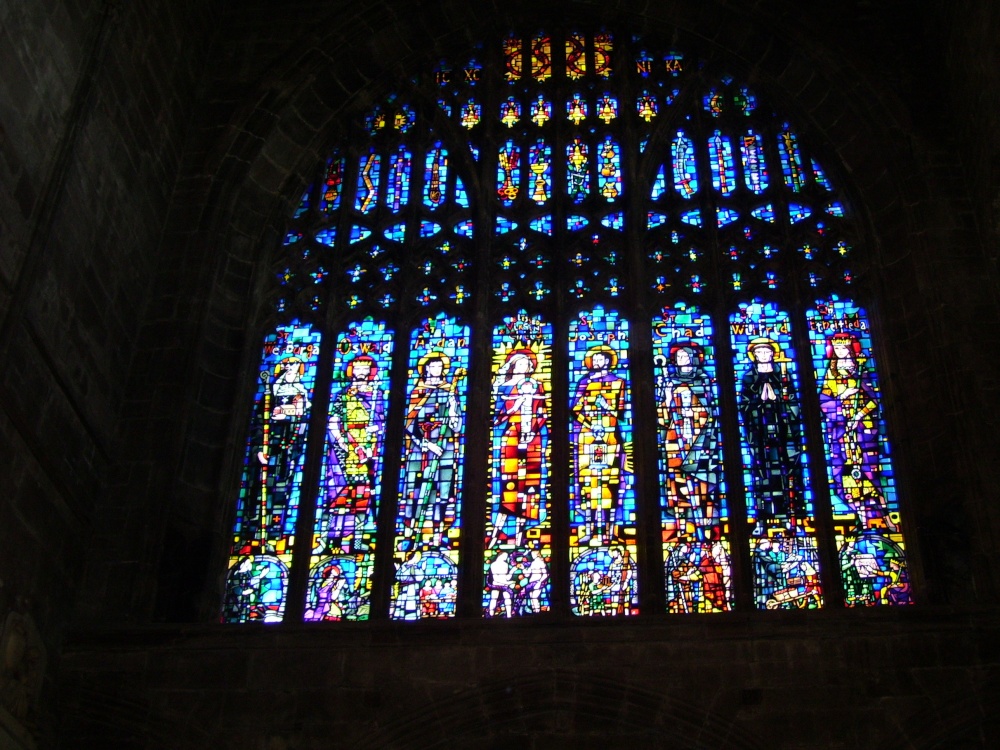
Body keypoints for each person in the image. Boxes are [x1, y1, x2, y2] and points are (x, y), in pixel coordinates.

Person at [818, 333, 895, 532]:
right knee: (844, 474)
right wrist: (841, 399)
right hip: (840, 433)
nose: (840, 351)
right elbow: (824, 401)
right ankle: (860, 516)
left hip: (863, 431)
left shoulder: (861, 370)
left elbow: (872, 399)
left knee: (869, 474)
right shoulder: (831, 374)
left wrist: (858, 415)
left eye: (844, 348)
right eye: (837, 348)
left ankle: (883, 517)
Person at [737, 339, 805, 534]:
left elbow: (794, 403)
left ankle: (790, 519)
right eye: (759, 353)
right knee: (761, 475)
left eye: (767, 352)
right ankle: (762, 519)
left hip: (785, 434)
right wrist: (759, 401)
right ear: (754, 356)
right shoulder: (749, 377)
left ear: (773, 354)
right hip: (760, 435)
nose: (763, 356)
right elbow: (744, 406)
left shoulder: (783, 375)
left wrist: (780, 401)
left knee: (788, 474)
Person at [656, 343, 721, 541]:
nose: (682, 360)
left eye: (686, 357)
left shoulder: (703, 381)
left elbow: (711, 411)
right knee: (677, 481)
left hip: (700, 441)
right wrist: (667, 398)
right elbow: (662, 417)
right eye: (679, 358)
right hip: (675, 439)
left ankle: (704, 520)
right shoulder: (670, 382)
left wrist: (691, 414)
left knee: (701, 481)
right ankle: (681, 523)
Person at [399, 352, 464, 548]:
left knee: (443, 491)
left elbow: (457, 425)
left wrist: (453, 408)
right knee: (415, 490)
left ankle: (439, 532)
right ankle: (411, 533)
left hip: (445, 447)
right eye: (434, 366)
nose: (438, 370)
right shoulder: (417, 392)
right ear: (426, 369)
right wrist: (427, 445)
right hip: (420, 450)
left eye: (440, 367)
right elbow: (409, 424)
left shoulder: (449, 390)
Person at [324, 355, 385, 553]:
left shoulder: (377, 395)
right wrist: (341, 441)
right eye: (357, 367)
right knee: (338, 494)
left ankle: (357, 541)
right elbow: (333, 420)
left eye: (365, 368)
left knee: (362, 496)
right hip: (343, 451)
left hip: (366, 451)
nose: (361, 371)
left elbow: (381, 423)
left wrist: (371, 433)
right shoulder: (343, 395)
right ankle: (332, 539)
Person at [488, 350, 547, 549]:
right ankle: (497, 533)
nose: (524, 368)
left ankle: (522, 534)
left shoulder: (538, 386)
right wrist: (516, 407)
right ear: (512, 367)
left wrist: (534, 429)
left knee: (529, 487)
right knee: (509, 485)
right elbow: (497, 417)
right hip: (511, 437)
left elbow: (543, 413)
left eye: (527, 365)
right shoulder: (503, 388)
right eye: (520, 365)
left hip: (533, 441)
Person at [251, 356, 311, 547]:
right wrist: (259, 449)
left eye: (295, 369)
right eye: (288, 369)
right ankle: (255, 533)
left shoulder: (301, 393)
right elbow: (260, 422)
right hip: (270, 447)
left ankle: (275, 532)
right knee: (260, 490)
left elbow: (303, 414)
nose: (291, 373)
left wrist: (286, 411)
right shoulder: (271, 394)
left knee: (282, 489)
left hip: (289, 449)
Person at [571, 345, 627, 544]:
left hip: (610, 438)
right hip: (587, 438)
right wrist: (590, 425)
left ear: (608, 361)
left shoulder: (619, 383)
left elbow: (621, 414)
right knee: (588, 485)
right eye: (594, 359)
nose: (597, 362)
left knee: (610, 484)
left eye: (601, 358)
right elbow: (575, 410)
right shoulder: (584, 383)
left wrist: (607, 408)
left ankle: (609, 531)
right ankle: (589, 528)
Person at [486, 551, 515, 617]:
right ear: (500, 555)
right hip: (496, 584)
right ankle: (490, 615)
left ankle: (509, 615)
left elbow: (506, 577)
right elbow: (495, 578)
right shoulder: (493, 564)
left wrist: (512, 571)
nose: (506, 557)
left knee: (508, 599)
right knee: (494, 599)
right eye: (505, 555)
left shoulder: (506, 564)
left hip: (505, 584)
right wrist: (507, 583)